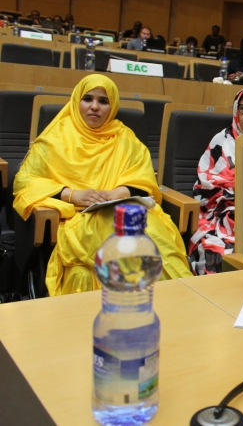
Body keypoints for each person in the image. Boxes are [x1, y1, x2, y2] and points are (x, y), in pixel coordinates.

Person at [13, 75, 192, 296]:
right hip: (79, 219)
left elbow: (144, 179)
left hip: (127, 211)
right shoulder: (54, 138)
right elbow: (25, 181)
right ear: (76, 101)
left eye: (103, 101)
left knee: (156, 242)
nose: (95, 107)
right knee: (85, 273)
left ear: (113, 106)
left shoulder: (125, 137)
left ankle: (180, 300)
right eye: (88, 99)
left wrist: (118, 192)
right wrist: (72, 194)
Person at [190, 86, 243, 274]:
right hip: (221, 214)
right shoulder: (221, 141)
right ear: (236, 110)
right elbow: (206, 184)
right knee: (216, 249)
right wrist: (236, 190)